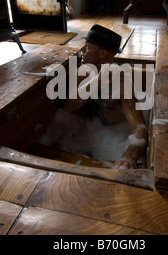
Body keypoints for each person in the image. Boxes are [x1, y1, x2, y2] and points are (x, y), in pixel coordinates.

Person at [55, 24, 148, 169]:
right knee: (62, 118)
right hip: (86, 137)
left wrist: (130, 155)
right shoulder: (83, 73)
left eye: (88, 47)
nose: (82, 51)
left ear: (102, 54)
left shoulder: (122, 83)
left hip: (114, 141)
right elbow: (68, 106)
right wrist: (96, 81)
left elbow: (139, 127)